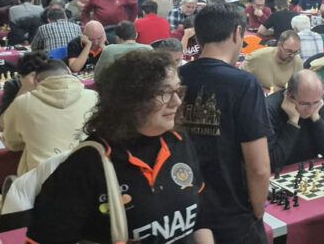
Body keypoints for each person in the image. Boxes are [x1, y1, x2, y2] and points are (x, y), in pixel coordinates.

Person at [27, 49, 214, 244]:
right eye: (164, 93)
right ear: (131, 100)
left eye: (178, 90)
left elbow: (200, 218)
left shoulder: (178, 141)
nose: (177, 101)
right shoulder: (86, 165)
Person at [179, 3, 270, 244]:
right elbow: (258, 167)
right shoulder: (244, 84)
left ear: (198, 36)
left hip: (185, 209)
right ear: (237, 33)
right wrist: (258, 213)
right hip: (232, 213)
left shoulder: (177, 78)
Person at [2, 59, 98, 174]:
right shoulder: (94, 97)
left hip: (42, 178)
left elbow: (12, 143)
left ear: (36, 81)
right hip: (89, 173)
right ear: (69, 73)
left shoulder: (23, 103)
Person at [266, 69, 324, 171]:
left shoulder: (322, 102)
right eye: (305, 104)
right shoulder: (268, 109)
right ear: (289, 96)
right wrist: (293, 121)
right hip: (278, 175)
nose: (310, 109)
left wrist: (316, 117)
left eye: (315, 103)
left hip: (308, 170)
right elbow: (272, 163)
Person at [0, 51, 51, 129]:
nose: (39, 81)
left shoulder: (52, 82)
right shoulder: (13, 85)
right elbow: (4, 122)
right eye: (34, 76)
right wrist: (24, 89)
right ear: (20, 77)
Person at [94, 21, 153, 85]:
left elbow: (97, 77)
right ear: (136, 35)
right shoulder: (149, 49)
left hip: (116, 89)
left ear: (117, 38)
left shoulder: (109, 50)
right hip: (144, 88)